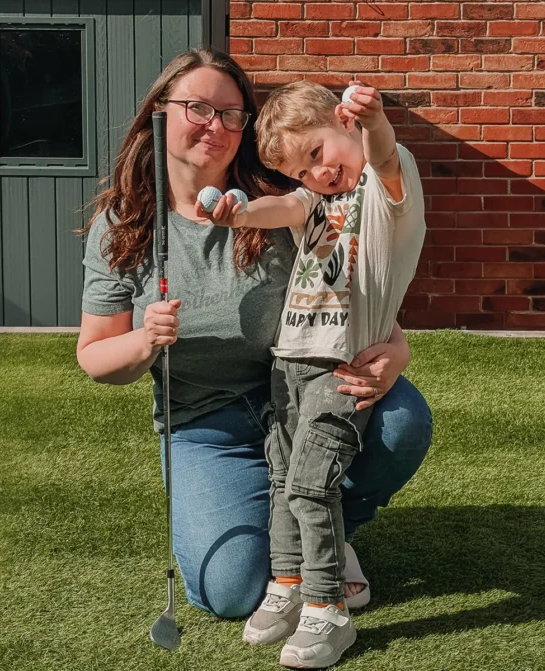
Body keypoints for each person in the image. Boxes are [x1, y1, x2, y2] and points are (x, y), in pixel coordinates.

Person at [76, 47, 432, 624]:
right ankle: (293, 522)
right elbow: (95, 356)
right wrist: (145, 341)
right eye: (198, 108)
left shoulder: (286, 194)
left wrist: (397, 347)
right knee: (231, 590)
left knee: (402, 420)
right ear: (160, 113)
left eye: (232, 114)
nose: (216, 126)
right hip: (206, 426)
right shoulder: (124, 224)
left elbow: (347, 279)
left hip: (297, 391)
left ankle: (328, 532)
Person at [199, 80, 426, 668]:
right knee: (282, 478)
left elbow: (384, 154)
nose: (318, 174)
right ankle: (289, 584)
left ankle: (328, 610)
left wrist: (374, 119)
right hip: (291, 359)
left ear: (344, 124)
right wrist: (238, 212)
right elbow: (282, 207)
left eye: (319, 153)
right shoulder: (316, 200)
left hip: (339, 366)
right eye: (303, 170)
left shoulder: (384, 190)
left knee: (311, 485)